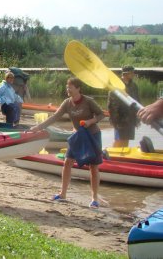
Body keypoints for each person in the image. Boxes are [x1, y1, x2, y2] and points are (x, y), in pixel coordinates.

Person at [30, 77, 105, 209]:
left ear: (78, 89)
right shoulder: (67, 103)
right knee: (67, 162)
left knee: (93, 167)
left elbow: (101, 114)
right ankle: (63, 194)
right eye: (67, 87)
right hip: (77, 135)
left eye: (70, 87)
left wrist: (90, 122)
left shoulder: (88, 101)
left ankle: (94, 199)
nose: (67, 89)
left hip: (92, 135)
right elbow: (54, 117)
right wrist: (38, 127)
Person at [108, 65, 140, 147]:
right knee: (119, 140)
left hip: (131, 118)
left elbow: (137, 101)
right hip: (120, 119)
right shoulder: (115, 86)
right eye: (131, 73)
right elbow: (112, 105)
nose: (133, 74)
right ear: (125, 74)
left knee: (127, 140)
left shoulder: (134, 86)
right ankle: (112, 156)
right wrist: (115, 121)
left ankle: (123, 157)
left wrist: (137, 118)